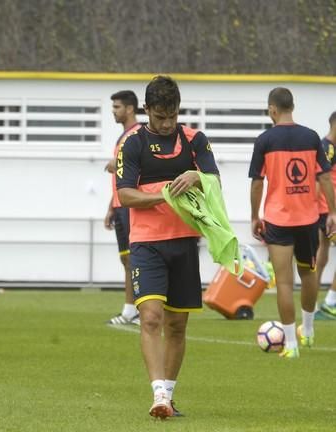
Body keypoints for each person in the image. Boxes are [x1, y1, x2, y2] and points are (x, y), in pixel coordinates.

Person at [117, 76, 220, 418]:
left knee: (177, 325)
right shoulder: (132, 143)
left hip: (185, 242)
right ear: (147, 110)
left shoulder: (194, 140)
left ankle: (170, 397)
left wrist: (198, 177)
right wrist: (160, 194)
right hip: (147, 243)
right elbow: (125, 194)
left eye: (172, 116)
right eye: (160, 117)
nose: (167, 123)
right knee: (150, 317)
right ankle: (158, 394)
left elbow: (214, 183)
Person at [249, 89, 336, 358]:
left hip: (278, 220)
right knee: (308, 274)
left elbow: (257, 182)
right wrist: (332, 212)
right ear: (293, 107)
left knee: (285, 283)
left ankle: (291, 345)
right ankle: (307, 331)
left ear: (272, 109)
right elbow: (323, 178)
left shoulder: (264, 139)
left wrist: (254, 216)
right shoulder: (311, 137)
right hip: (309, 218)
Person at [104, 90, 141, 327]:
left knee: (137, 259)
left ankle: (139, 310)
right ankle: (129, 310)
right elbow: (121, 178)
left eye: (117, 107)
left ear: (129, 109)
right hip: (119, 206)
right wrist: (110, 206)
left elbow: (136, 169)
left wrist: (115, 163)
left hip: (131, 207)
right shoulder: (122, 136)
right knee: (127, 260)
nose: (113, 112)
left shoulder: (137, 135)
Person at [316, 111, 336, 317]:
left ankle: (313, 303)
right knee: (322, 251)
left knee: (323, 251)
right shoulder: (328, 148)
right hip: (329, 211)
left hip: (327, 210)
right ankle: (330, 302)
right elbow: (320, 180)